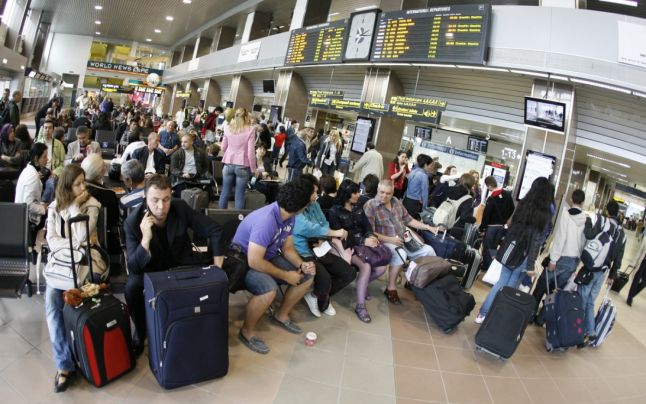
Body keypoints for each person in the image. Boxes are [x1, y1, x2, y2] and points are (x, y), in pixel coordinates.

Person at [123, 174, 224, 355]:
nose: (161, 207)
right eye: (155, 200)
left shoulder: (180, 208)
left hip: (181, 265)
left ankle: (200, 324)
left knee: (219, 274)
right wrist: (145, 239)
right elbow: (133, 267)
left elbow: (215, 230)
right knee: (132, 287)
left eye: (166, 199)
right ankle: (140, 331)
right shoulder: (133, 222)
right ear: (145, 198)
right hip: (152, 269)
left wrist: (217, 269)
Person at [231, 179, 316, 354]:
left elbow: (288, 248)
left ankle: (281, 315)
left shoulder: (289, 216)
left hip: (265, 257)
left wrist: (301, 264)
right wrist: (286, 276)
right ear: (301, 205)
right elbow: (254, 261)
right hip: (243, 262)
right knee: (269, 289)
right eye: (311, 197)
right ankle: (246, 332)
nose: (314, 199)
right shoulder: (267, 220)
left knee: (308, 276)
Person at [44, 164, 104, 393]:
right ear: (66, 187)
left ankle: (80, 356)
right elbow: (52, 241)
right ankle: (64, 365)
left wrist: (73, 207)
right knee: (52, 303)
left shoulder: (92, 205)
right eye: (77, 184)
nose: (82, 188)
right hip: (62, 266)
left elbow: (80, 235)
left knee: (71, 296)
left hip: (85, 265)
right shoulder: (53, 208)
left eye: (83, 183)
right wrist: (74, 245)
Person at [475, 177, 554, 324]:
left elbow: (510, 224)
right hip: (524, 255)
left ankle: (482, 313)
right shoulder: (545, 214)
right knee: (511, 287)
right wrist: (530, 266)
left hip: (511, 248)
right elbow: (536, 242)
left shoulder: (523, 204)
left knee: (501, 282)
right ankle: (496, 318)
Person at [364, 179, 438, 304]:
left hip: (403, 238)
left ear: (392, 193)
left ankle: (413, 280)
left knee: (428, 251)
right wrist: (390, 239)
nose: (384, 196)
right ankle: (390, 288)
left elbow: (409, 220)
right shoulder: (371, 205)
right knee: (400, 254)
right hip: (384, 240)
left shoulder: (396, 202)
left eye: (388, 193)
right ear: (377, 190)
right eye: (382, 192)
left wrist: (427, 227)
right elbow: (369, 231)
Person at [293, 174, 355, 317]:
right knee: (325, 278)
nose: (316, 196)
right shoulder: (296, 209)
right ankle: (322, 295)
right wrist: (333, 232)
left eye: (317, 191)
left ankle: (317, 295)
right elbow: (309, 228)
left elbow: (324, 223)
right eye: (313, 192)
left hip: (320, 247)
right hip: (304, 252)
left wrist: (322, 237)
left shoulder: (315, 204)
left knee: (349, 273)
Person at [329, 180, 388, 322]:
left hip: (363, 244)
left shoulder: (358, 206)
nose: (358, 194)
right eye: (355, 192)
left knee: (382, 267)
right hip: (348, 247)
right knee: (366, 266)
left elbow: (367, 226)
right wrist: (362, 241)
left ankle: (362, 283)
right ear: (347, 195)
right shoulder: (334, 211)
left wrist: (370, 236)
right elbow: (340, 236)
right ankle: (360, 306)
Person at [531, 189, 587, 320]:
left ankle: (531, 313)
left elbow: (561, 238)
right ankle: (543, 318)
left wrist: (553, 260)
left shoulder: (567, 214)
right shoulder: (585, 219)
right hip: (573, 261)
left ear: (571, 199)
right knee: (557, 290)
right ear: (583, 202)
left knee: (542, 283)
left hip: (561, 257)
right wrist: (577, 263)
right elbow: (584, 242)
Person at [578, 200, 626, 344]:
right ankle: (590, 331)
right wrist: (612, 275)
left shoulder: (604, 221)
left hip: (592, 267)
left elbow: (589, 235)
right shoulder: (622, 234)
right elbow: (619, 258)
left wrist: (588, 221)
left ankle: (577, 330)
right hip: (604, 271)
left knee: (582, 298)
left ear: (607, 211)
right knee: (590, 301)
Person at [218, 108, 256, 209]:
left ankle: (219, 215)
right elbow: (251, 152)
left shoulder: (227, 128)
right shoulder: (251, 130)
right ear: (246, 117)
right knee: (239, 194)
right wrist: (253, 169)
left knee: (225, 191)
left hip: (228, 163)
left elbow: (223, 148)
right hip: (242, 165)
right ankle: (238, 217)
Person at [479, 176, 516, 270]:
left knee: (487, 247)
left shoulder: (491, 198)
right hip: (502, 227)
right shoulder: (507, 194)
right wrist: (505, 219)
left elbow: (486, 215)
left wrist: (482, 228)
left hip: (491, 227)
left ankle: (486, 266)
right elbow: (512, 208)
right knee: (494, 248)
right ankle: (491, 266)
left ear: (489, 186)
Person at [15, 143, 49, 240]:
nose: (47, 159)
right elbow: (27, 204)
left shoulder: (28, 170)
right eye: (44, 157)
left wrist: (41, 205)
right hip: (27, 220)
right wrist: (44, 209)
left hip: (21, 215)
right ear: (36, 158)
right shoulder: (32, 176)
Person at [36, 119, 66, 203]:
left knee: (51, 183)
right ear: (43, 129)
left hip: (52, 173)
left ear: (53, 130)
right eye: (45, 128)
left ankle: (44, 203)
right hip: (40, 172)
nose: (47, 130)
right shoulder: (38, 144)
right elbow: (33, 161)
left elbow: (63, 163)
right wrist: (36, 172)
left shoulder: (59, 144)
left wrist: (55, 173)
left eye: (49, 128)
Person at [443, 173, 476, 240]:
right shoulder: (468, 197)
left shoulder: (450, 190)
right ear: (471, 184)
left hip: (443, 222)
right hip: (455, 229)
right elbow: (464, 217)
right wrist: (473, 220)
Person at [402, 154, 434, 219]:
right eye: (431, 165)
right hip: (415, 203)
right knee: (411, 221)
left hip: (406, 200)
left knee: (403, 218)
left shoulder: (413, 171)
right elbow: (424, 193)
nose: (431, 168)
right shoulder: (423, 176)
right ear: (425, 165)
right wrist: (424, 207)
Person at [627, 235, 646, 306]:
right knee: (636, 280)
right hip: (642, 262)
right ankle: (629, 298)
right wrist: (634, 263)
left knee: (644, 283)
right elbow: (639, 252)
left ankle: (632, 294)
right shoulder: (645, 239)